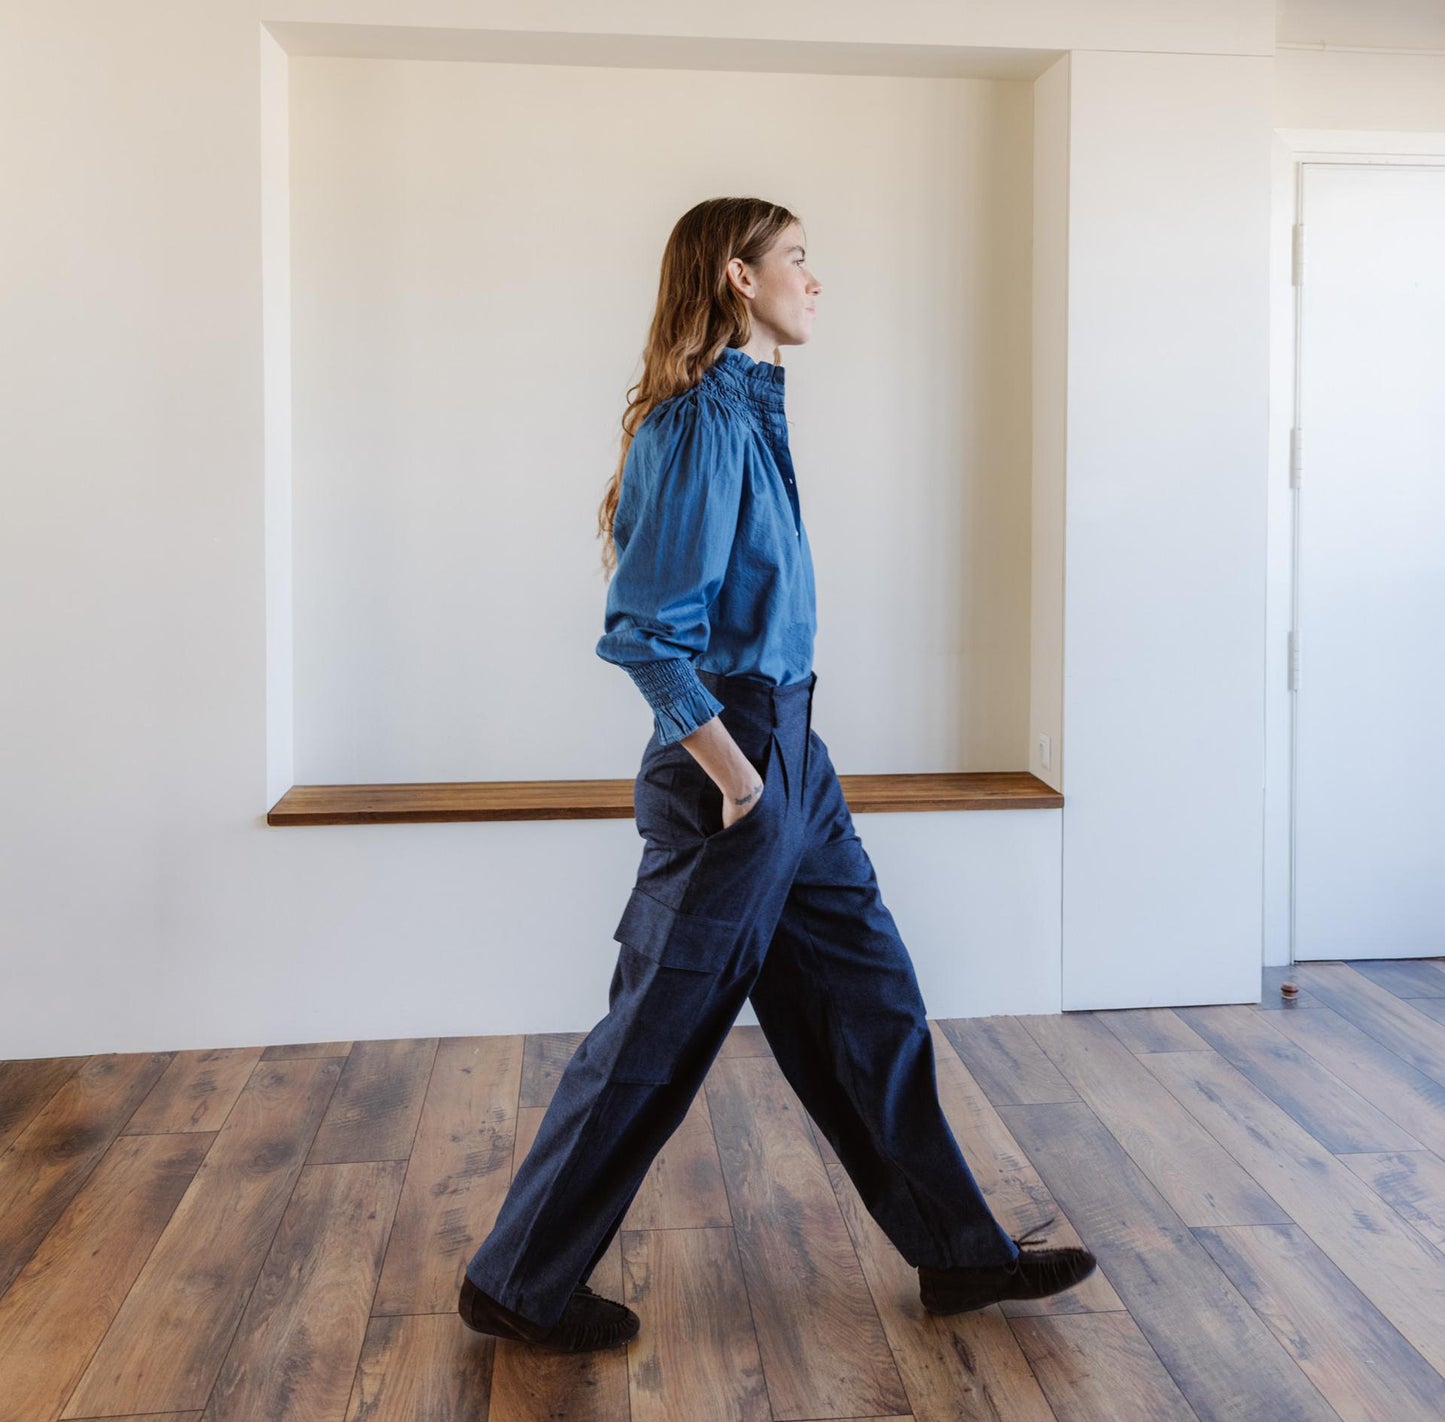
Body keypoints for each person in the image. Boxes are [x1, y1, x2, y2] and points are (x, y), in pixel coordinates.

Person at [458, 196, 1096, 1353]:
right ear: (739, 279)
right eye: (798, 259)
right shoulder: (700, 423)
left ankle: (958, 1256)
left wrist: (781, 773)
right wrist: (740, 782)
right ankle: (516, 1282)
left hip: (795, 751)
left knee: (872, 1004)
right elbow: (647, 632)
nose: (816, 279)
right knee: (651, 1041)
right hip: (737, 769)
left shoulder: (751, 410)